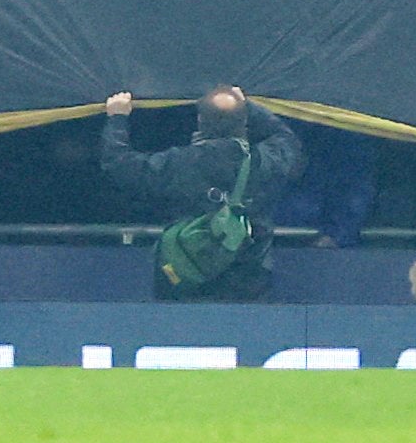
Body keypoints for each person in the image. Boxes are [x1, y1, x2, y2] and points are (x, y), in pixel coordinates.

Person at [91, 79, 304, 302]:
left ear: (200, 120)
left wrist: (118, 118)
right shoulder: (268, 161)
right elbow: (288, 139)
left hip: (185, 284)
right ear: (244, 122)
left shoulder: (178, 164)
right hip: (250, 285)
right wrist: (247, 105)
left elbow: (120, 164)